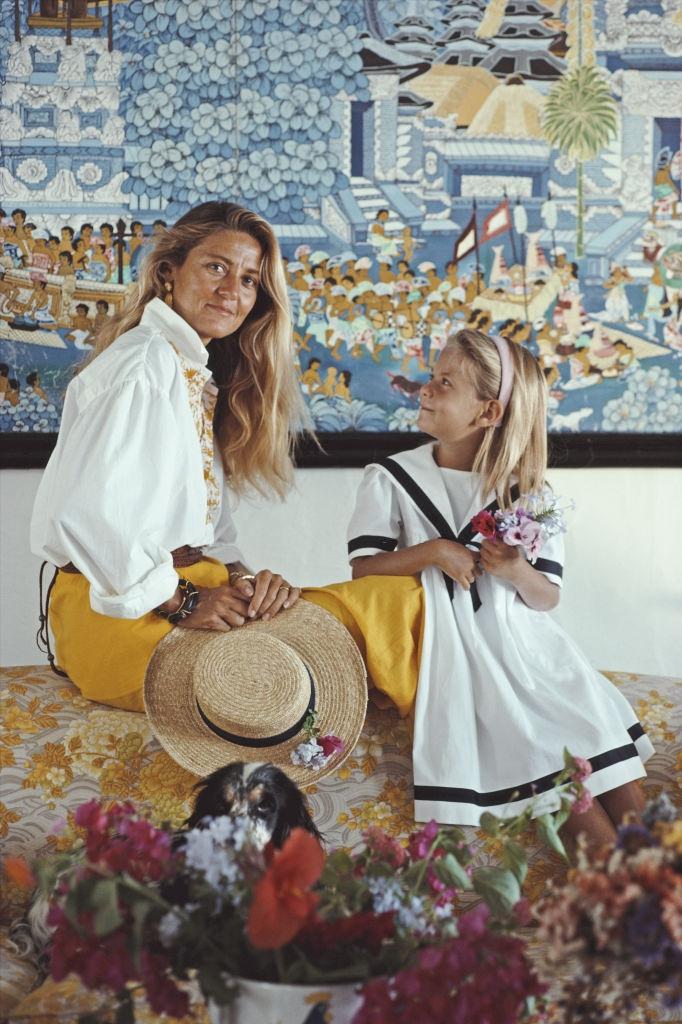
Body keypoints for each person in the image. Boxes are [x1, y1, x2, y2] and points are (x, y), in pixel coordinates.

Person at [31, 200, 422, 722]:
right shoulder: (142, 365)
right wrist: (185, 603)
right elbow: (83, 518)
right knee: (389, 615)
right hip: (117, 617)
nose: (230, 291)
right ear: (169, 271)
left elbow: (207, 532)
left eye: (248, 280)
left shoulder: (191, 371)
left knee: (391, 603)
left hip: (184, 591)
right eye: (216, 266)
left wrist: (247, 581)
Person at [346, 328, 653, 842]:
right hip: (468, 661)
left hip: (536, 661)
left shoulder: (527, 491)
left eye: (445, 383)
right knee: (554, 774)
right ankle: (619, 905)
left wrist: (515, 570)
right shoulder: (391, 477)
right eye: (431, 378)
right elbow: (363, 569)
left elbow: (546, 596)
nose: (425, 389)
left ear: (488, 412)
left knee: (613, 776)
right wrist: (435, 552)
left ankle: (661, 896)